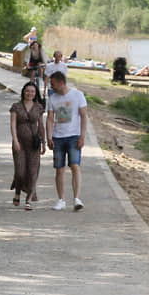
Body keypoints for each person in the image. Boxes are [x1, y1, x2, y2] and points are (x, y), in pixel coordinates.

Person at [45, 71, 87, 211]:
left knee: (75, 166)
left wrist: (82, 136)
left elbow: (84, 116)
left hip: (74, 135)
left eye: (53, 83)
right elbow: (50, 118)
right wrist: (49, 137)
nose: (51, 86)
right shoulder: (52, 98)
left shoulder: (77, 95)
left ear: (61, 82)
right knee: (59, 169)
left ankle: (76, 198)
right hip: (58, 137)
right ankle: (61, 199)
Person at [10, 81, 46, 210]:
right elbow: (13, 124)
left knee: (32, 172)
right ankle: (18, 191)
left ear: (35, 93)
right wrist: (15, 140)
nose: (29, 93)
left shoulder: (38, 107)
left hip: (34, 144)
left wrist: (44, 143)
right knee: (20, 171)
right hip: (20, 143)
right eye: (27, 91)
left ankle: (29, 199)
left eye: (32, 91)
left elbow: (41, 126)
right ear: (23, 92)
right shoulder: (16, 106)